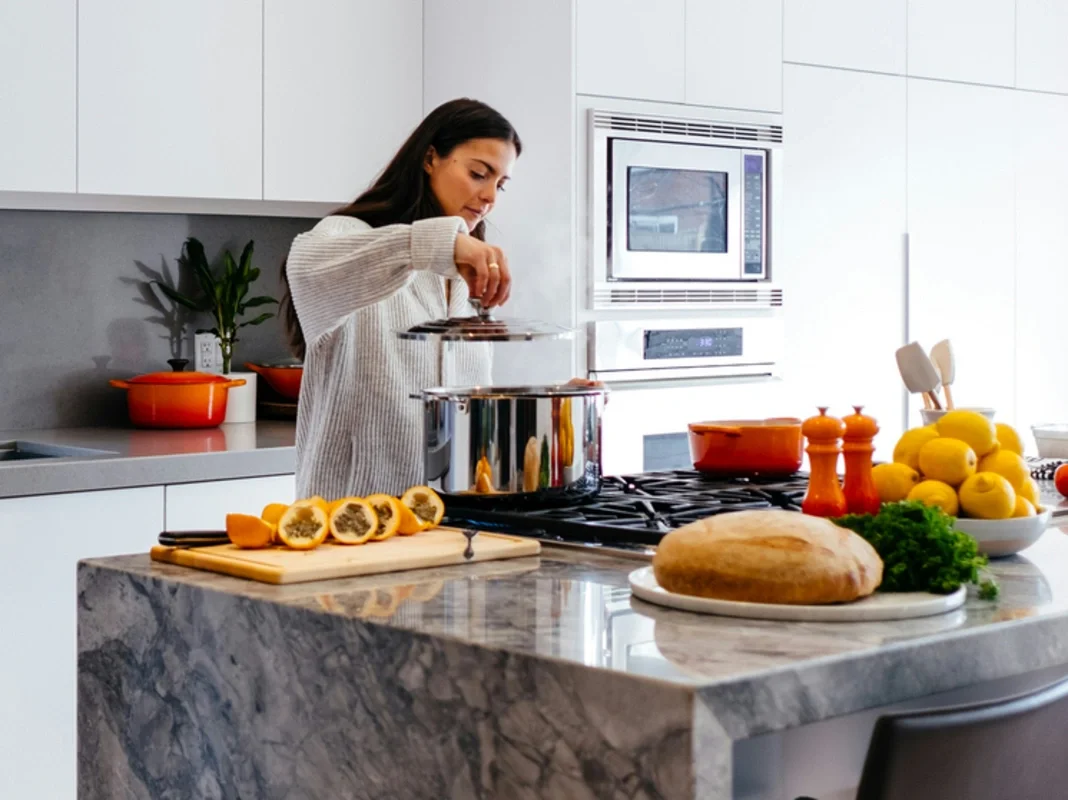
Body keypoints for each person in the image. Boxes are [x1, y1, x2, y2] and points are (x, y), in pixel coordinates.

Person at [279, 98, 524, 500]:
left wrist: (549, 405)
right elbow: (305, 265)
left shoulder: (464, 282)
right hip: (351, 527)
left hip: (449, 525)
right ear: (430, 158)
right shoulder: (345, 235)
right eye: (479, 174)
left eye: (500, 184)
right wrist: (440, 244)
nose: (490, 197)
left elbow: (465, 415)